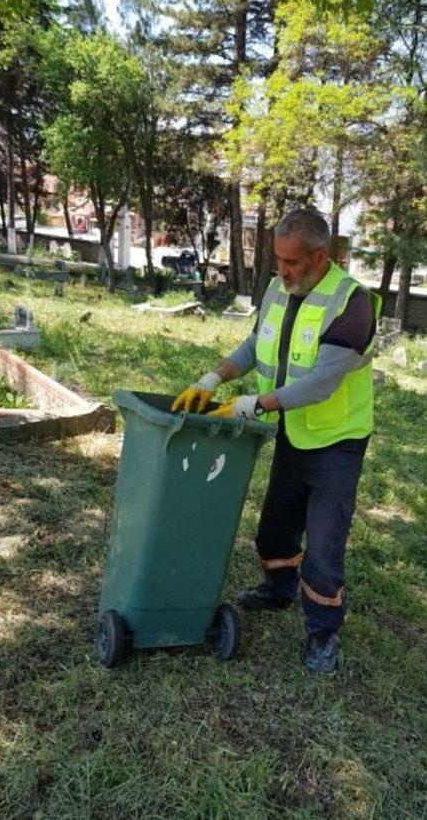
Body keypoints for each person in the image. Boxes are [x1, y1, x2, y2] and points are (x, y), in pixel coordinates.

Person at [171, 209, 380, 673]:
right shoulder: (279, 289)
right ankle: (279, 589)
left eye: (291, 262)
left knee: (324, 545)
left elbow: (321, 383)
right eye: (277, 260)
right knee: (275, 526)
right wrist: (214, 378)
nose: (281, 270)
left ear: (319, 256)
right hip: (292, 432)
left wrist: (254, 405)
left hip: (337, 442)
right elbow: (256, 345)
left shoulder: (351, 304)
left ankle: (323, 631)